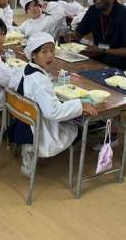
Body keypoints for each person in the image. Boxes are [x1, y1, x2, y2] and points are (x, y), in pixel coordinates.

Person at [19, 32, 97, 177]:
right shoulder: (40, 81)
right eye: (44, 52)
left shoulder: (27, 70)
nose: (50, 55)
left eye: (52, 50)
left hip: (27, 124)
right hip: (42, 132)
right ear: (33, 55)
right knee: (77, 126)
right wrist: (81, 105)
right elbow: (53, 112)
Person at [69, 0, 126, 70]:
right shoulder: (93, 11)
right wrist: (71, 36)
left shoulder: (123, 14)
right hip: (97, 59)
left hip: (120, 66)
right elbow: (79, 33)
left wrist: (103, 50)